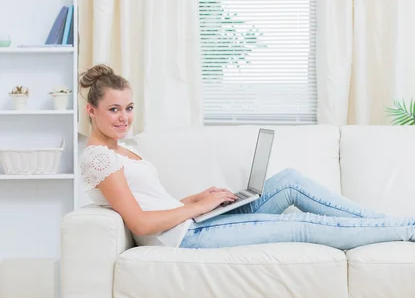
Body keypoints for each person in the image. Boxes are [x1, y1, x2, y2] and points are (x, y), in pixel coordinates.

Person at [79, 64, 415, 251]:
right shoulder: (100, 159)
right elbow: (139, 223)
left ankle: (380, 222)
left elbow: (149, 204)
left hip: (191, 221)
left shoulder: (124, 150)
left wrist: (198, 198)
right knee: (301, 224)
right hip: (187, 237)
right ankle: (405, 229)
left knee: (289, 181)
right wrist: (197, 209)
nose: (124, 117)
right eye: (114, 110)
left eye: (129, 108)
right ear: (91, 111)